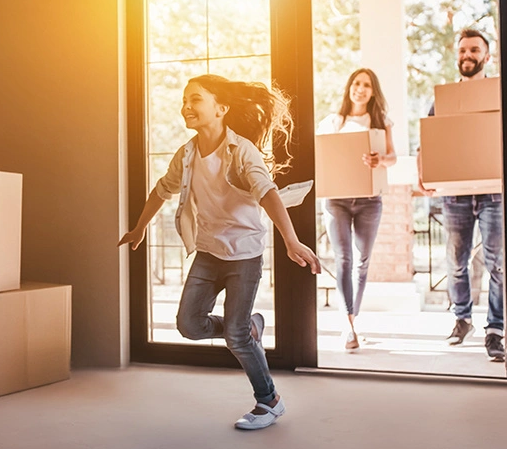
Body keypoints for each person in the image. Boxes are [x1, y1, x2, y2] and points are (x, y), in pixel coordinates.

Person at [117, 74, 321, 430]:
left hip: (244, 254)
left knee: (236, 337)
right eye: (185, 99)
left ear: (221, 108)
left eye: (195, 99)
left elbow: (268, 193)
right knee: (189, 325)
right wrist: (139, 228)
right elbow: (161, 190)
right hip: (209, 253)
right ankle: (246, 327)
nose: (187, 106)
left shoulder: (242, 150)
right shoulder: (186, 154)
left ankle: (269, 400)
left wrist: (290, 240)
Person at [417, 28, 506, 362]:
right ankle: (462, 319)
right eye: (463, 50)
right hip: (454, 195)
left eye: (474, 50)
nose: (467, 55)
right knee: (456, 262)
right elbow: (426, 141)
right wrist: (423, 175)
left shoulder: (498, 94)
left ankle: (495, 329)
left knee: (497, 264)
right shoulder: (442, 99)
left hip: (493, 192)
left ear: (486, 55)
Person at [317, 68, 397, 351]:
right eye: (356, 83)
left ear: (373, 91)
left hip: (368, 200)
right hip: (337, 200)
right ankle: (347, 324)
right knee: (343, 260)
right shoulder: (332, 122)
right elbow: (322, 155)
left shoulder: (380, 122)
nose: (360, 89)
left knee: (362, 262)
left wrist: (380, 160)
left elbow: (392, 157)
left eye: (366, 85)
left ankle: (352, 319)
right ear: (349, 87)